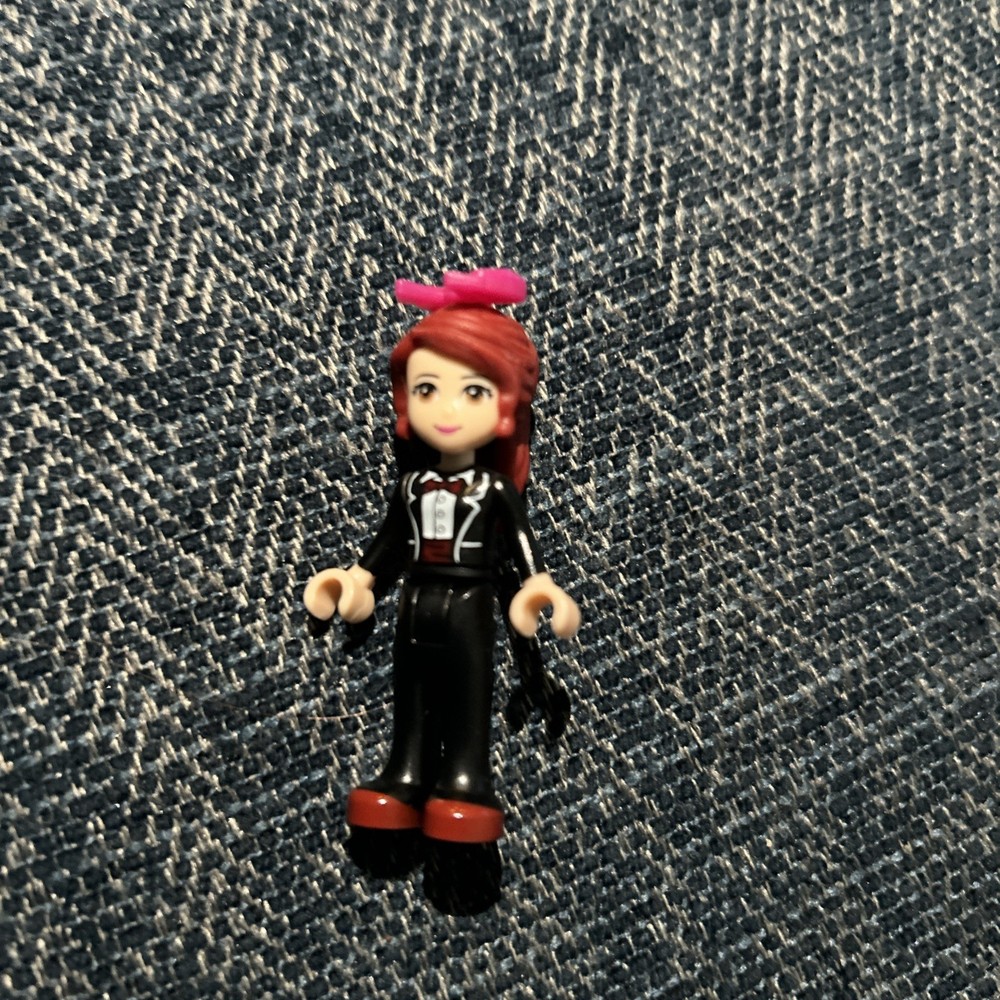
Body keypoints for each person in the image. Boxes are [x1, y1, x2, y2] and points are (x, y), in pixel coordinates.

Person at [304, 269, 580, 843]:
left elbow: (521, 543)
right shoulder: (411, 487)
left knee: (469, 690)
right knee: (411, 689)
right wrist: (356, 582)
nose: (447, 409)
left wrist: (537, 586)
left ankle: (466, 780)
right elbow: (388, 543)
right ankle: (403, 774)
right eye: (427, 389)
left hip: (472, 599)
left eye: (473, 391)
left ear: (504, 407)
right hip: (416, 596)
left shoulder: (493, 490)